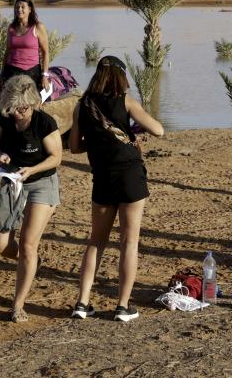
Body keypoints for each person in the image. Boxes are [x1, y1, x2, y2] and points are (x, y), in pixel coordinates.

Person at [68, 55, 164, 322]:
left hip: (102, 178)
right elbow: (159, 130)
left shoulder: (82, 106)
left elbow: (75, 147)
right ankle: (122, 306)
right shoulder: (127, 102)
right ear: (121, 78)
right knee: (129, 242)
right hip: (130, 176)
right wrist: (129, 136)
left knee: (96, 241)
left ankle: (82, 302)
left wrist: (100, 142)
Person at [0, 75, 62, 322]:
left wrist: (32, 170)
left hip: (41, 183)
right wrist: (0, 157)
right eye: (14, 108)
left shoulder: (44, 123)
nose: (18, 113)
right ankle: (32, 262)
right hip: (12, 181)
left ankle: (18, 305)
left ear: (32, 103)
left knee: (28, 244)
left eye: (23, 108)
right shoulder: (3, 117)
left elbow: (56, 157)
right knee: (0, 245)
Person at [1, 0, 50, 91]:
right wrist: (2, 74)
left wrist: (44, 75)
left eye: (23, 7)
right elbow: (7, 52)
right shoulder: (11, 28)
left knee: (34, 102)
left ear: (30, 9)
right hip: (11, 71)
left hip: (32, 72)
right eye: (17, 7)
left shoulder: (38, 27)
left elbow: (45, 52)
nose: (19, 9)